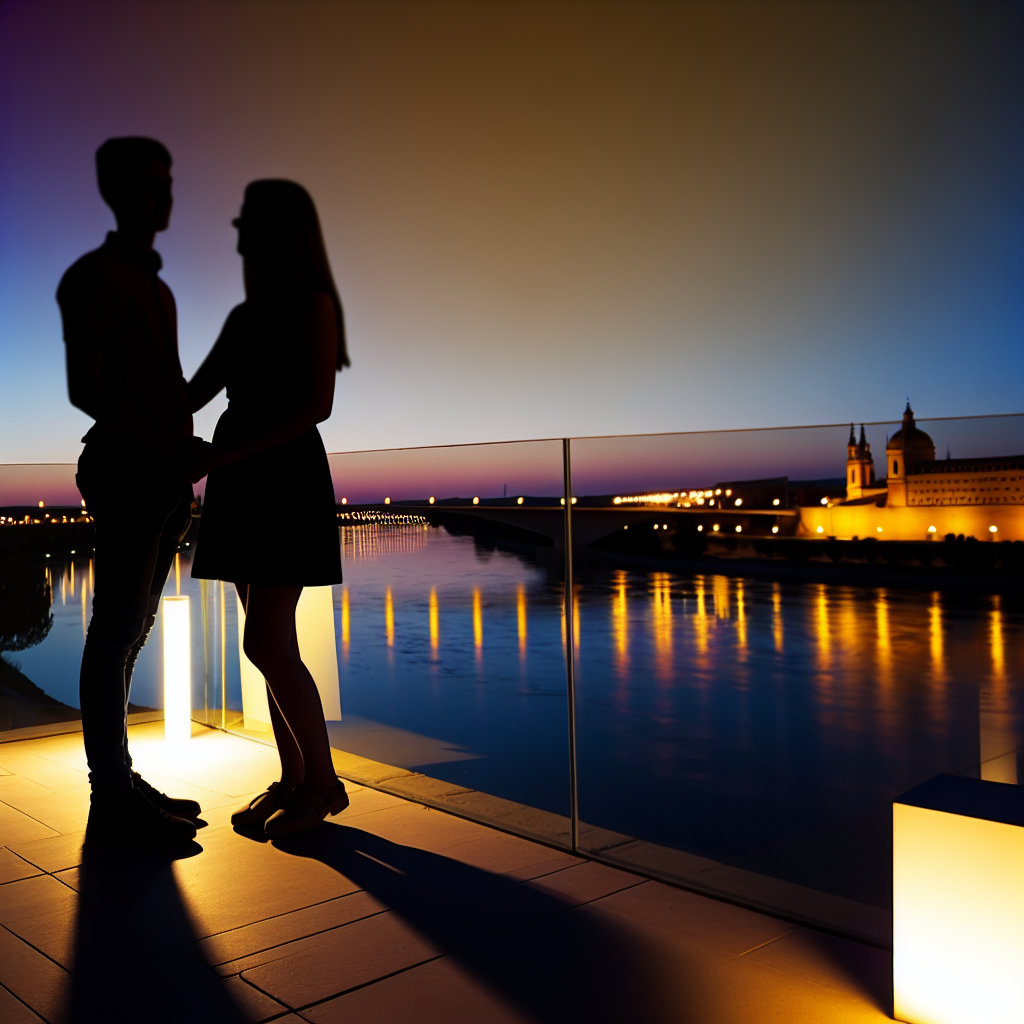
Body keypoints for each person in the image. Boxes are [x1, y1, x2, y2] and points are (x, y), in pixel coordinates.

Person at [188, 180, 350, 836]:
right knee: (267, 644)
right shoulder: (244, 317)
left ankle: (323, 783)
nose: (236, 232)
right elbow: (192, 393)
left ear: (275, 231)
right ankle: (293, 779)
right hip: (246, 483)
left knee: (265, 640)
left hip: (280, 482)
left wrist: (218, 458)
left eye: (246, 221)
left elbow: (315, 405)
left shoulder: (311, 306)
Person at [58, 138, 203, 844]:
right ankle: (110, 794)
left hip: (163, 479)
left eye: (167, 181)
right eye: (150, 183)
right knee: (115, 634)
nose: (164, 194)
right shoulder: (94, 277)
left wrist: (180, 465)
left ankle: (118, 780)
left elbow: (163, 386)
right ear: (115, 192)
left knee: (133, 631)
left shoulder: (158, 287)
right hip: (129, 473)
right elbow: (87, 390)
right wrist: (169, 448)